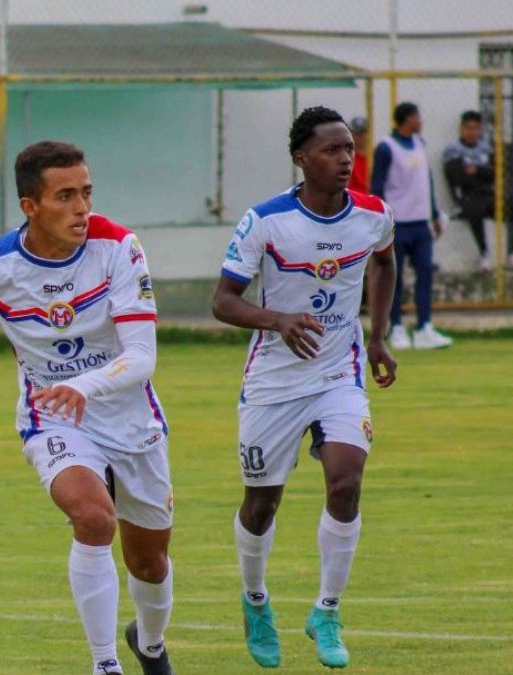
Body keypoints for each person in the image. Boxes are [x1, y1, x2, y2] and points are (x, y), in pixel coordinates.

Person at [0, 141, 175, 675]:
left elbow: (142, 359)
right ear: (30, 206)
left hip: (131, 418)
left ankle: (149, 643)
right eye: (65, 196)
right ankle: (105, 665)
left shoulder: (119, 247)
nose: (82, 208)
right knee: (93, 517)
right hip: (51, 417)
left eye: (86, 192)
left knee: (150, 563)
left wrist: (84, 385)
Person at [213, 106, 398, 670]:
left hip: (338, 372)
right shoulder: (266, 221)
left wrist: (377, 337)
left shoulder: (372, 214)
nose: (345, 159)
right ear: (302, 157)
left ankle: (326, 610)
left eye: (349, 149)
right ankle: (255, 601)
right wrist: (279, 321)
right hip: (273, 379)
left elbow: (385, 265)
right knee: (262, 504)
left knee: (346, 480)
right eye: (332, 150)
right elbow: (222, 301)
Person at [371, 102, 452, 350]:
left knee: (425, 273)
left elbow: (425, 180)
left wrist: (435, 213)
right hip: (398, 224)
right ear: (407, 119)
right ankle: (395, 327)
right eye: (417, 116)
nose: (421, 120)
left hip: (420, 223)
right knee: (394, 278)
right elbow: (378, 185)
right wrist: (380, 219)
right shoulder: (387, 147)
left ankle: (424, 326)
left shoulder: (420, 144)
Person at [443, 110, 507, 271]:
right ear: (461, 129)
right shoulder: (453, 150)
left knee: (508, 205)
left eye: (476, 128)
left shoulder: (486, 148)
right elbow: (459, 178)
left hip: (488, 194)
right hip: (467, 196)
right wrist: (485, 171)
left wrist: (477, 170)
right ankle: (484, 253)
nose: (472, 133)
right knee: (474, 209)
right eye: (468, 128)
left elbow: (497, 173)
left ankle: (510, 254)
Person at [347, 117, 369, 194]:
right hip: (356, 200)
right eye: (358, 134)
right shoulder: (347, 158)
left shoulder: (376, 156)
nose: (362, 137)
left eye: (364, 133)